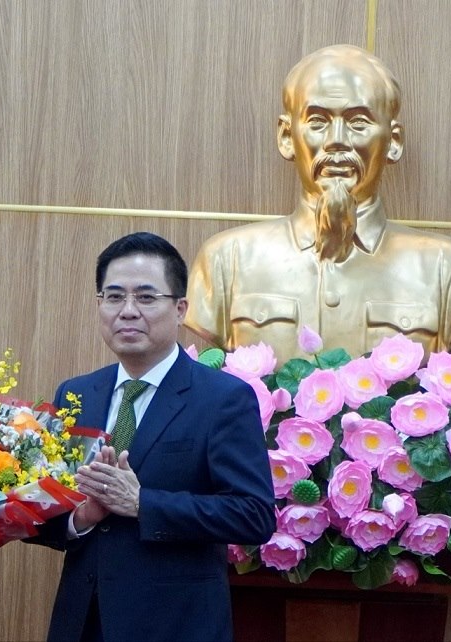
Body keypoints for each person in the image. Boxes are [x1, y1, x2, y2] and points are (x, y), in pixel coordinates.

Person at [30, 232, 276, 642]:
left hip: (176, 625)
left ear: (180, 309)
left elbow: (254, 515)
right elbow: (43, 514)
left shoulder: (223, 399)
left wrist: (144, 503)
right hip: (83, 623)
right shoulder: (75, 395)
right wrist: (80, 519)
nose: (127, 311)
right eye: (113, 297)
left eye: (146, 297)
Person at [185, 44, 451, 363]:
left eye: (358, 122)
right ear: (287, 137)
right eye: (317, 121)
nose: (336, 139)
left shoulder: (448, 268)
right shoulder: (226, 260)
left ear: (394, 141)